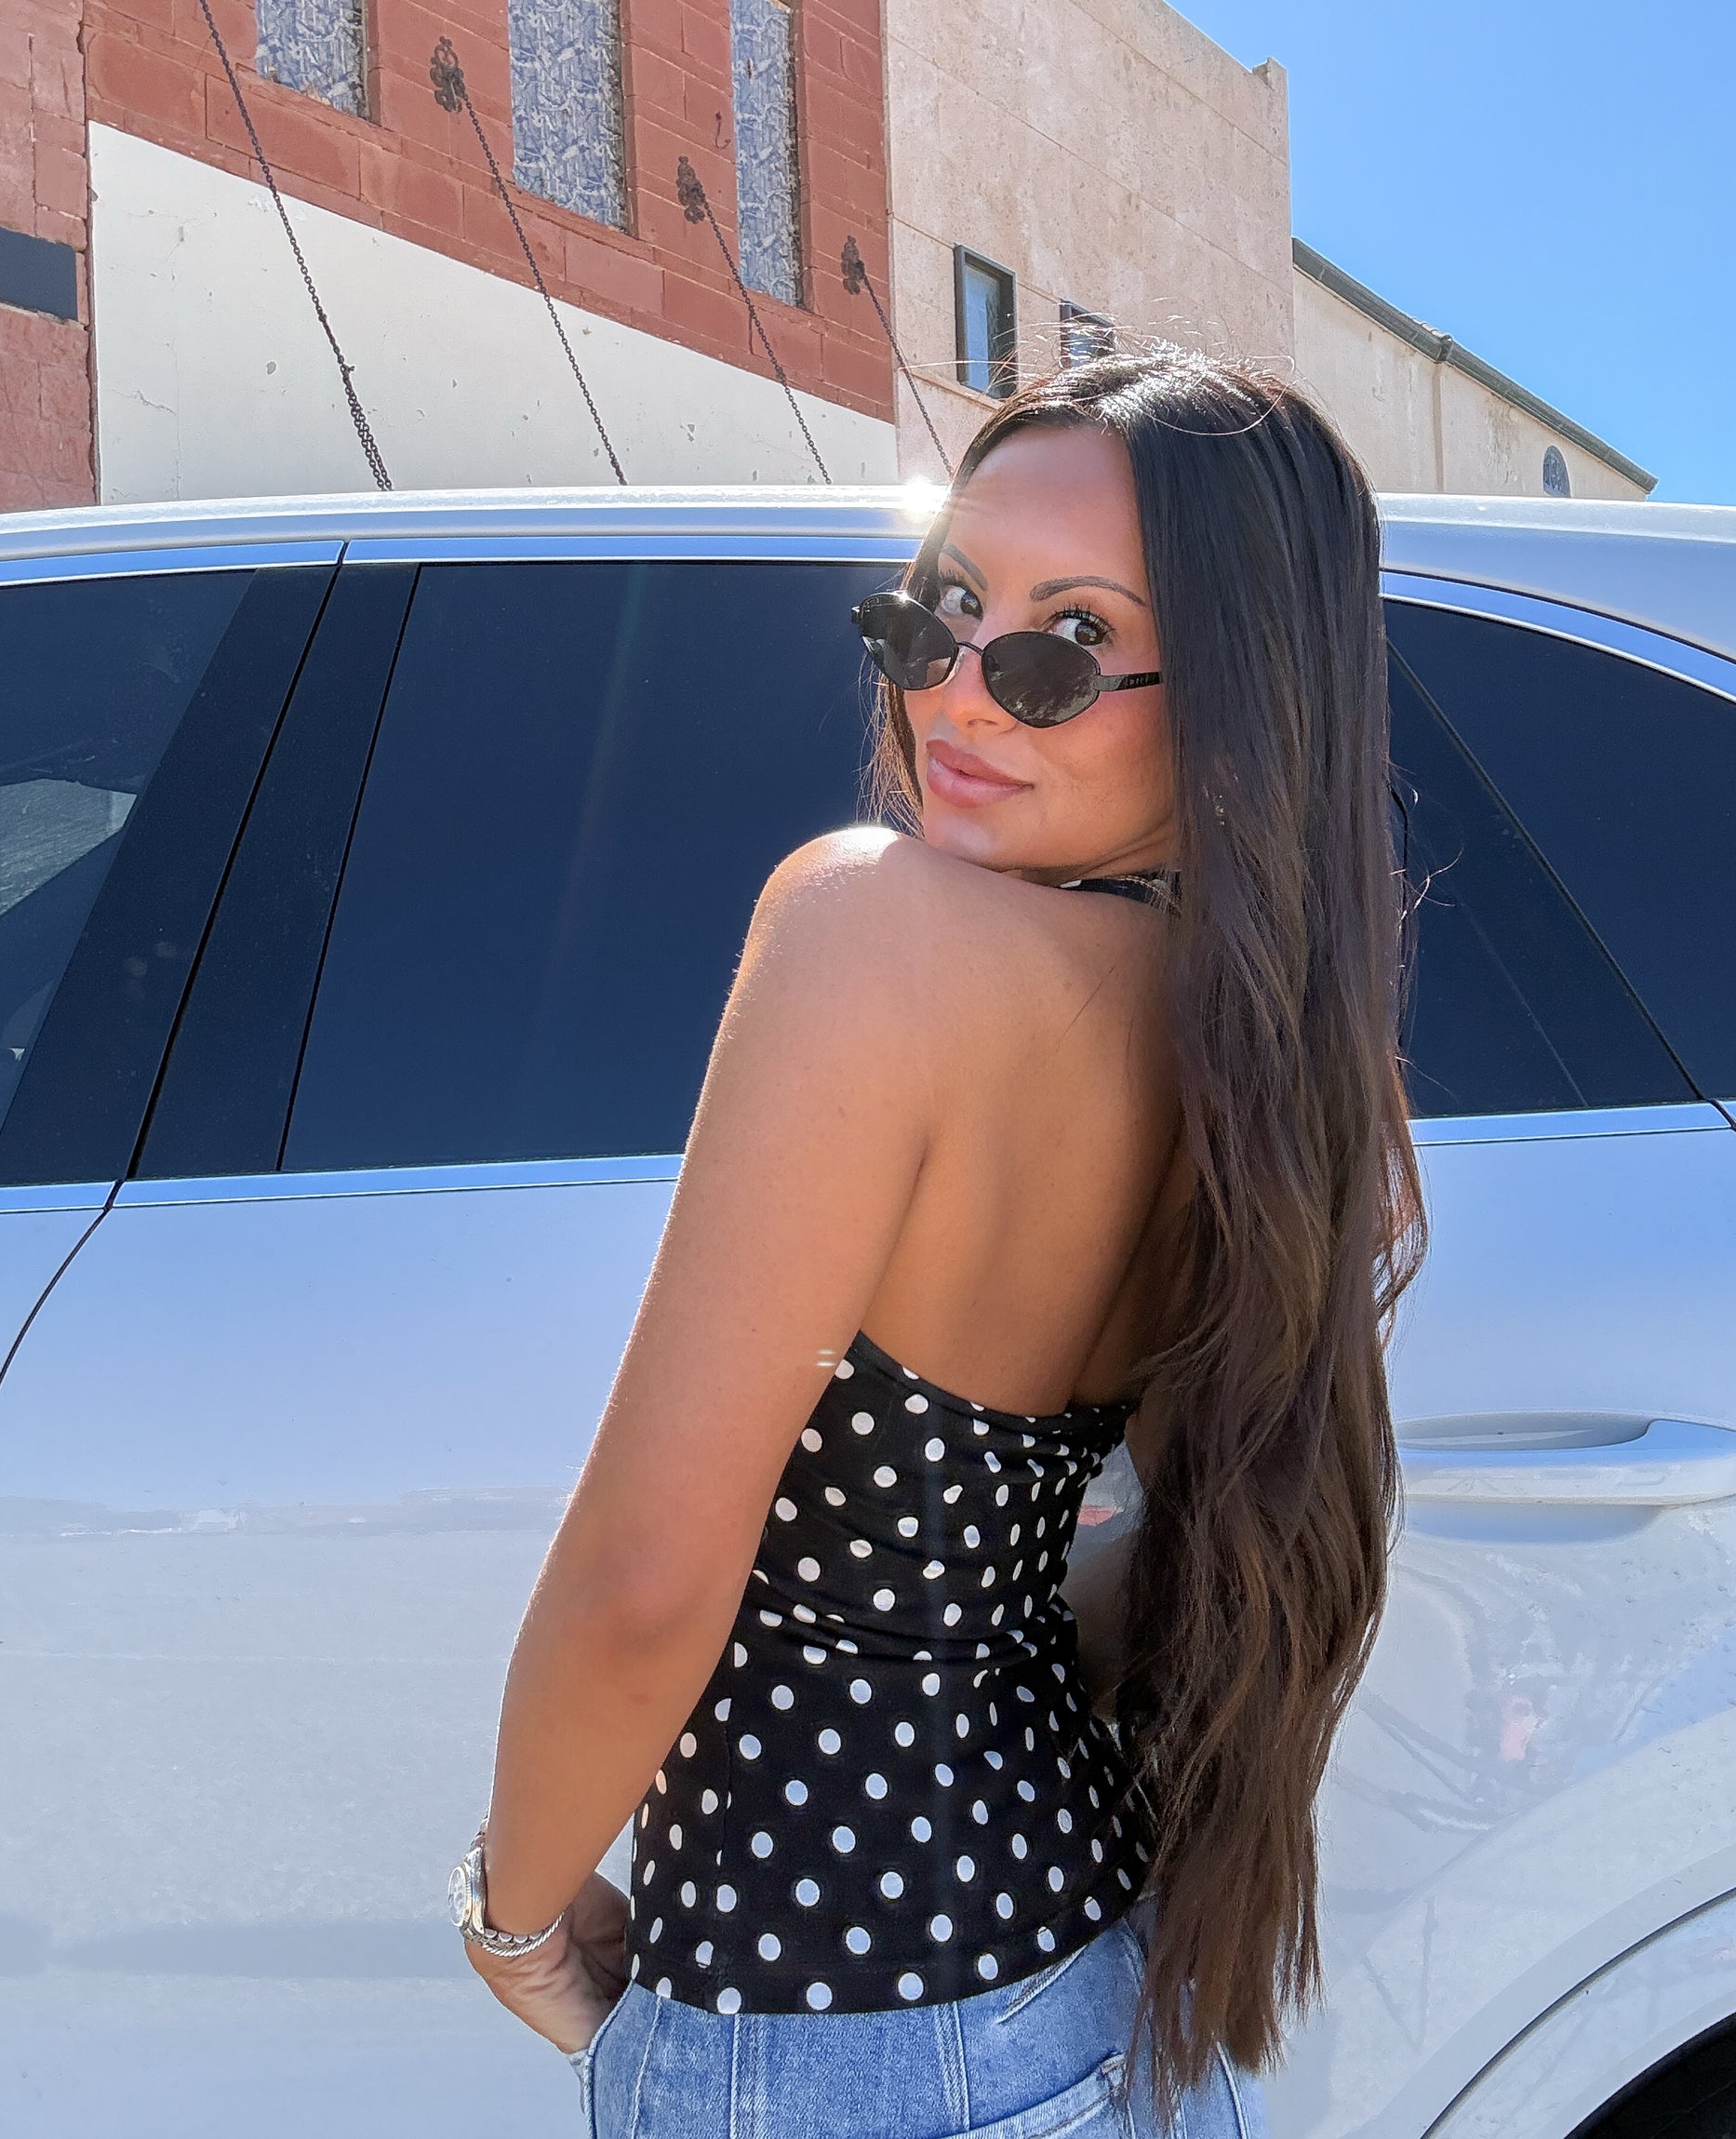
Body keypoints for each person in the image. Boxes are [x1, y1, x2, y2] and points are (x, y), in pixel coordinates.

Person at [453, 349, 1426, 2136]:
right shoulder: (1250, 1055)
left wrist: (515, 1914)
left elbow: (646, 1582)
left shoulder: (869, 932)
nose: (963, 692)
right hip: (1105, 1990)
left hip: (839, 2034)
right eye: (942, 611)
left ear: (1238, 695)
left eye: (1070, 643)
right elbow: (1118, 1574)